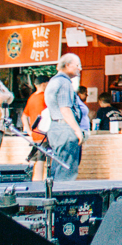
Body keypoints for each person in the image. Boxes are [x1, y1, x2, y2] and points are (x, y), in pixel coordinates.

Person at [41, 53, 85, 181]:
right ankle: (65, 198)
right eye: (78, 65)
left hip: (55, 127)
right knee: (67, 170)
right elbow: (65, 108)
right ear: (67, 65)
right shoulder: (64, 83)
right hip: (65, 128)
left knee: (58, 167)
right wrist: (77, 130)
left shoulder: (53, 81)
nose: (80, 69)